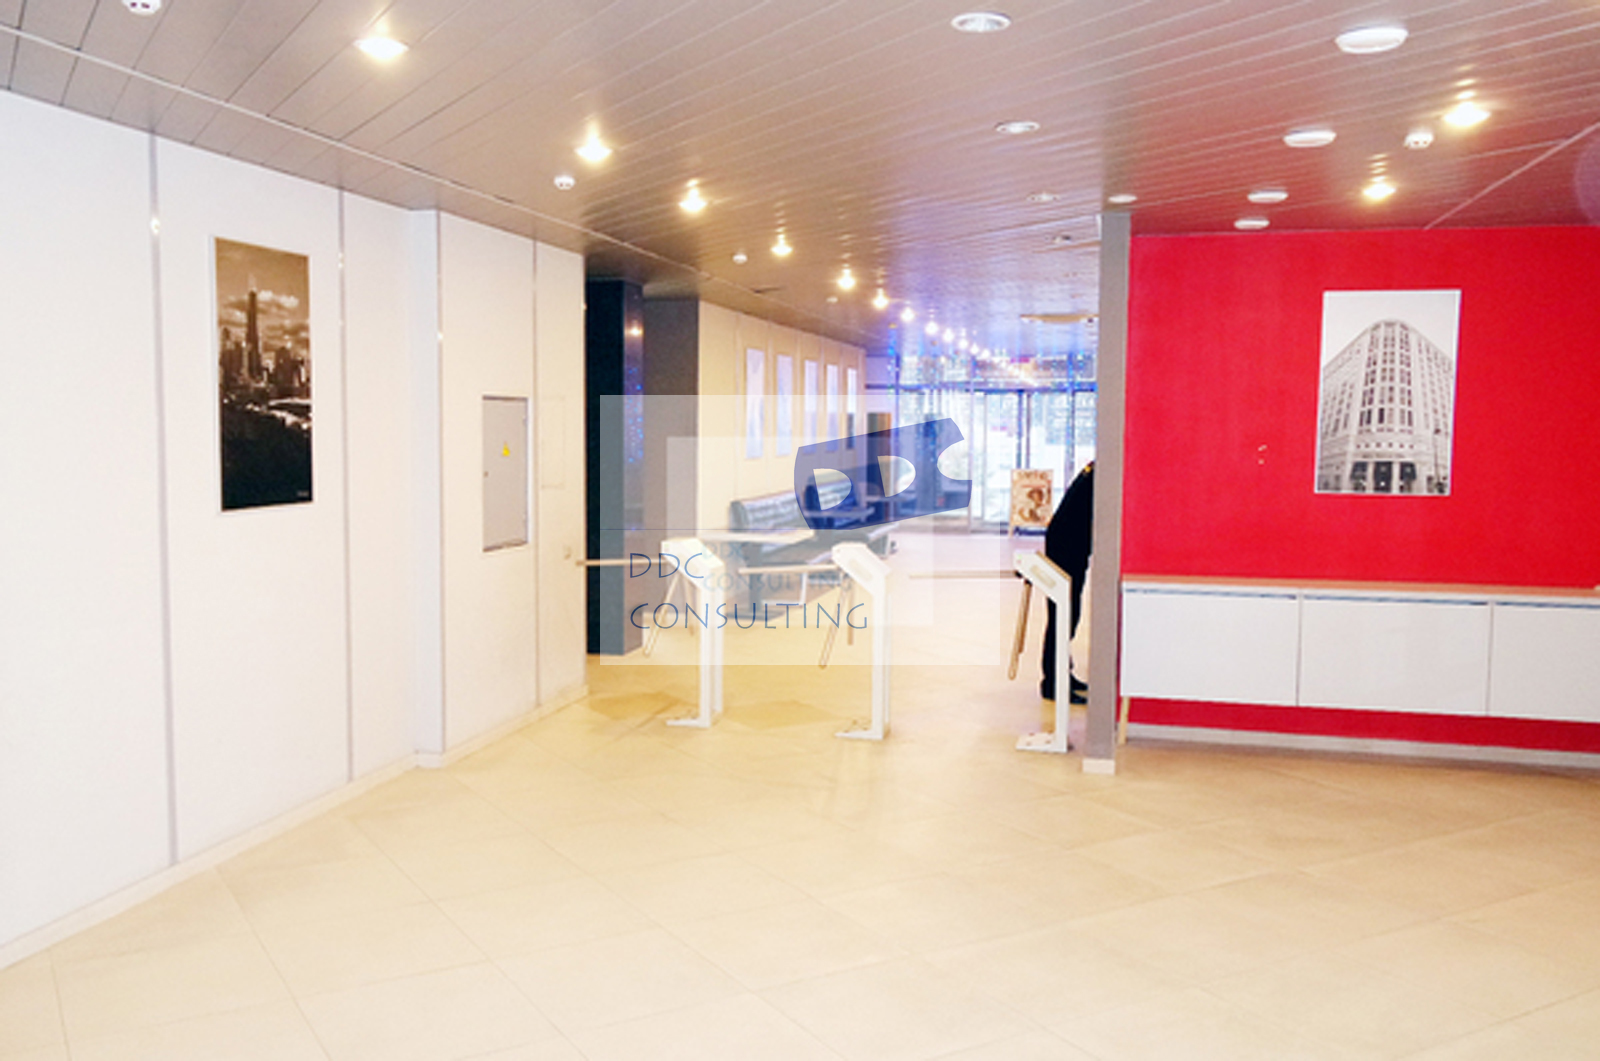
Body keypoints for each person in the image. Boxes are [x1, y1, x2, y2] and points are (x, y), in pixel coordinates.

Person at [1040, 461, 1092, 703]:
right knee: (1062, 618)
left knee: (1069, 617)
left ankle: (1062, 674)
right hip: (1066, 549)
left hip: (1072, 547)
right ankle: (1053, 683)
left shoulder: (1095, 473)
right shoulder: (1100, 476)